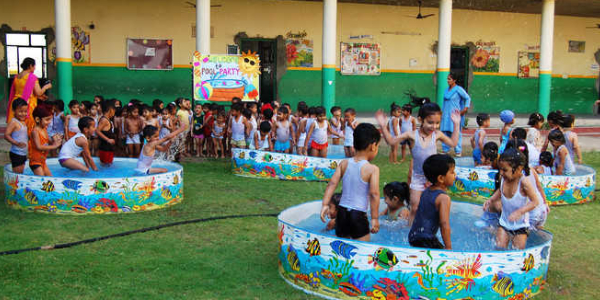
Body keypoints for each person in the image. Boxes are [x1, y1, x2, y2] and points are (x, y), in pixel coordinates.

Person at [376, 103, 460, 225]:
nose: (434, 126)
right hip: (418, 178)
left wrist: (456, 124)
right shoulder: (411, 135)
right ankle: (409, 233)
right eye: (430, 122)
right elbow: (391, 141)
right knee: (414, 208)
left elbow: (453, 143)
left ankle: (434, 230)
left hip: (434, 178)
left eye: (437, 123)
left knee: (437, 207)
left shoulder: (436, 135)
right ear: (420, 119)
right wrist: (383, 126)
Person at [320, 123, 381, 241]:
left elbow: (332, 184)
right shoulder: (372, 169)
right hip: (358, 215)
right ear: (373, 146)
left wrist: (325, 204)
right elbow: (374, 194)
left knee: (342, 247)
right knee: (362, 248)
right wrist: (374, 218)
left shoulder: (344, 163)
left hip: (341, 214)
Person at [483, 148, 540, 250]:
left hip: (520, 226)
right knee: (499, 248)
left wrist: (519, 212)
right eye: (500, 169)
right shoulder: (504, 179)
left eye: (505, 170)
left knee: (516, 251)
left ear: (518, 169)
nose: (501, 173)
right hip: (504, 222)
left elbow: (535, 201)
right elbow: (500, 191)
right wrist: (490, 200)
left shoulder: (524, 182)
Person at [408, 154, 455, 250]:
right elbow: (444, 224)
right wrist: (449, 248)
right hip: (426, 239)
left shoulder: (426, 191)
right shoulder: (443, 198)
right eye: (452, 172)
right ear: (441, 178)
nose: (455, 175)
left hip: (414, 235)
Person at [505, 139, 549, 231]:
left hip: (531, 212)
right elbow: (539, 187)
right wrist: (545, 203)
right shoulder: (531, 169)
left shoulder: (516, 174)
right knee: (537, 233)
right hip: (542, 210)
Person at [7, 57, 52, 128]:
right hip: (27, 103)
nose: (34, 68)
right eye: (34, 66)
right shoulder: (31, 77)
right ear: (30, 65)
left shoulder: (17, 77)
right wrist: (46, 87)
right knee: (29, 126)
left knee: (16, 126)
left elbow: (26, 91)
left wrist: (40, 96)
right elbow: (38, 92)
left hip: (15, 103)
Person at [441, 73, 470, 157]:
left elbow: (467, 98)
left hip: (455, 114)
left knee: (456, 131)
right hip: (446, 114)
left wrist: (465, 108)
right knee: (445, 132)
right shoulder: (446, 90)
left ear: (454, 80)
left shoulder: (458, 89)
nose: (448, 80)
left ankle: (458, 150)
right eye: (447, 79)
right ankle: (445, 149)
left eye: (449, 79)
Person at [28, 106, 61, 176]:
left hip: (42, 161)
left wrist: (55, 140)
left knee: (50, 178)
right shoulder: (35, 131)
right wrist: (54, 146)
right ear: (37, 119)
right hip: (35, 162)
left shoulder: (44, 129)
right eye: (47, 120)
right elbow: (39, 146)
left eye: (50, 120)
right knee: (41, 180)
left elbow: (48, 141)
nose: (49, 122)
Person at [5, 98, 30, 174]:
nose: (23, 114)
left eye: (25, 111)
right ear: (13, 111)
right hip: (16, 153)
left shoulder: (23, 122)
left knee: (21, 173)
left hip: (23, 153)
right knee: (18, 175)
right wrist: (16, 143)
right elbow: (6, 135)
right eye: (20, 111)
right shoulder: (14, 122)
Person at [96, 100, 117, 166]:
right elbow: (97, 130)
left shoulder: (108, 119)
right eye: (114, 110)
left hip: (109, 148)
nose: (115, 112)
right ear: (110, 110)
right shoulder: (104, 120)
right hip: (105, 148)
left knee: (108, 164)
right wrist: (108, 139)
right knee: (105, 165)